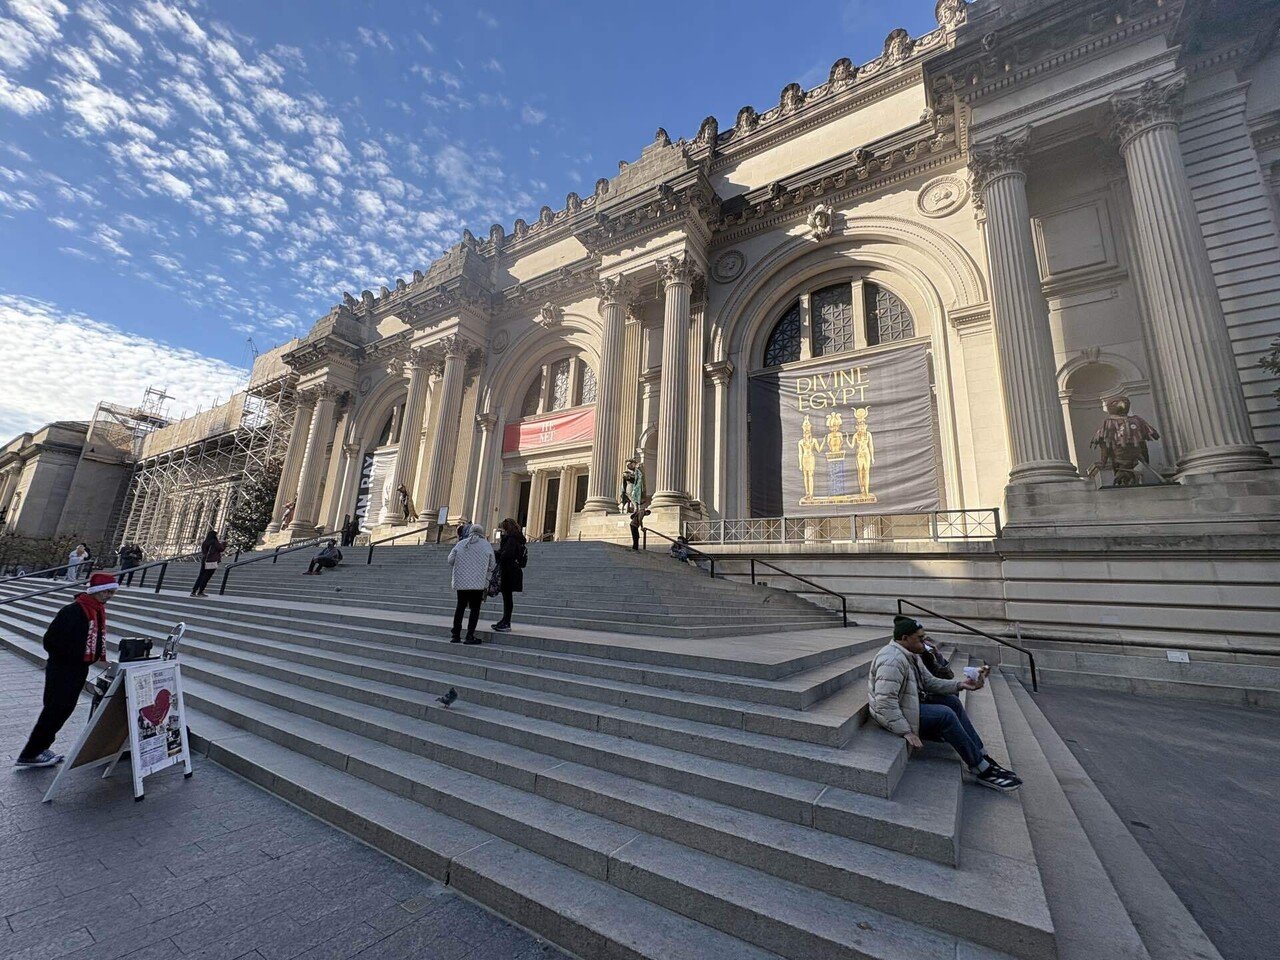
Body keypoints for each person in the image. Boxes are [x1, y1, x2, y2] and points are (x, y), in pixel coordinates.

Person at [867, 615, 1022, 791]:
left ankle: (981, 755)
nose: (924, 641)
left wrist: (960, 685)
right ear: (905, 638)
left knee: (952, 702)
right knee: (944, 714)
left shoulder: (909, 654)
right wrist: (905, 731)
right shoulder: (892, 660)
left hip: (910, 702)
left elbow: (928, 682)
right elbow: (884, 701)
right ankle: (980, 768)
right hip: (894, 712)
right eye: (920, 638)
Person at [14, 573, 118, 767]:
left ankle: (42, 747)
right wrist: (72, 657)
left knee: (63, 709)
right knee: (55, 709)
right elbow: (51, 640)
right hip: (64, 669)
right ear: (96, 591)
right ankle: (31, 752)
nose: (110, 595)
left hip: (78, 669)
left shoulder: (96, 611)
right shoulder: (73, 611)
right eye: (107, 591)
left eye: (112, 592)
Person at [448, 523, 494, 645]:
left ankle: (455, 635)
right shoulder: (486, 545)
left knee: (460, 607)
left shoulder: (462, 543)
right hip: (477, 583)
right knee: (475, 609)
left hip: (462, 582)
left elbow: (450, 560)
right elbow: (492, 565)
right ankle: (469, 635)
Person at [492, 518, 527, 632]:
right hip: (512, 570)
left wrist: (496, 554)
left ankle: (506, 622)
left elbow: (507, 554)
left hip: (509, 570)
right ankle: (505, 620)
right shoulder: (516, 538)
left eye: (503, 528)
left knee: (507, 598)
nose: (502, 531)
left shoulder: (511, 539)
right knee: (507, 597)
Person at [191, 527, 225, 597]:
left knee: (201, 575)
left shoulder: (205, 542)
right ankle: (200, 591)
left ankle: (194, 591)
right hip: (212, 561)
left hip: (205, 560)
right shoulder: (214, 542)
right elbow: (221, 549)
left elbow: (204, 550)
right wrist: (224, 544)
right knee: (207, 576)